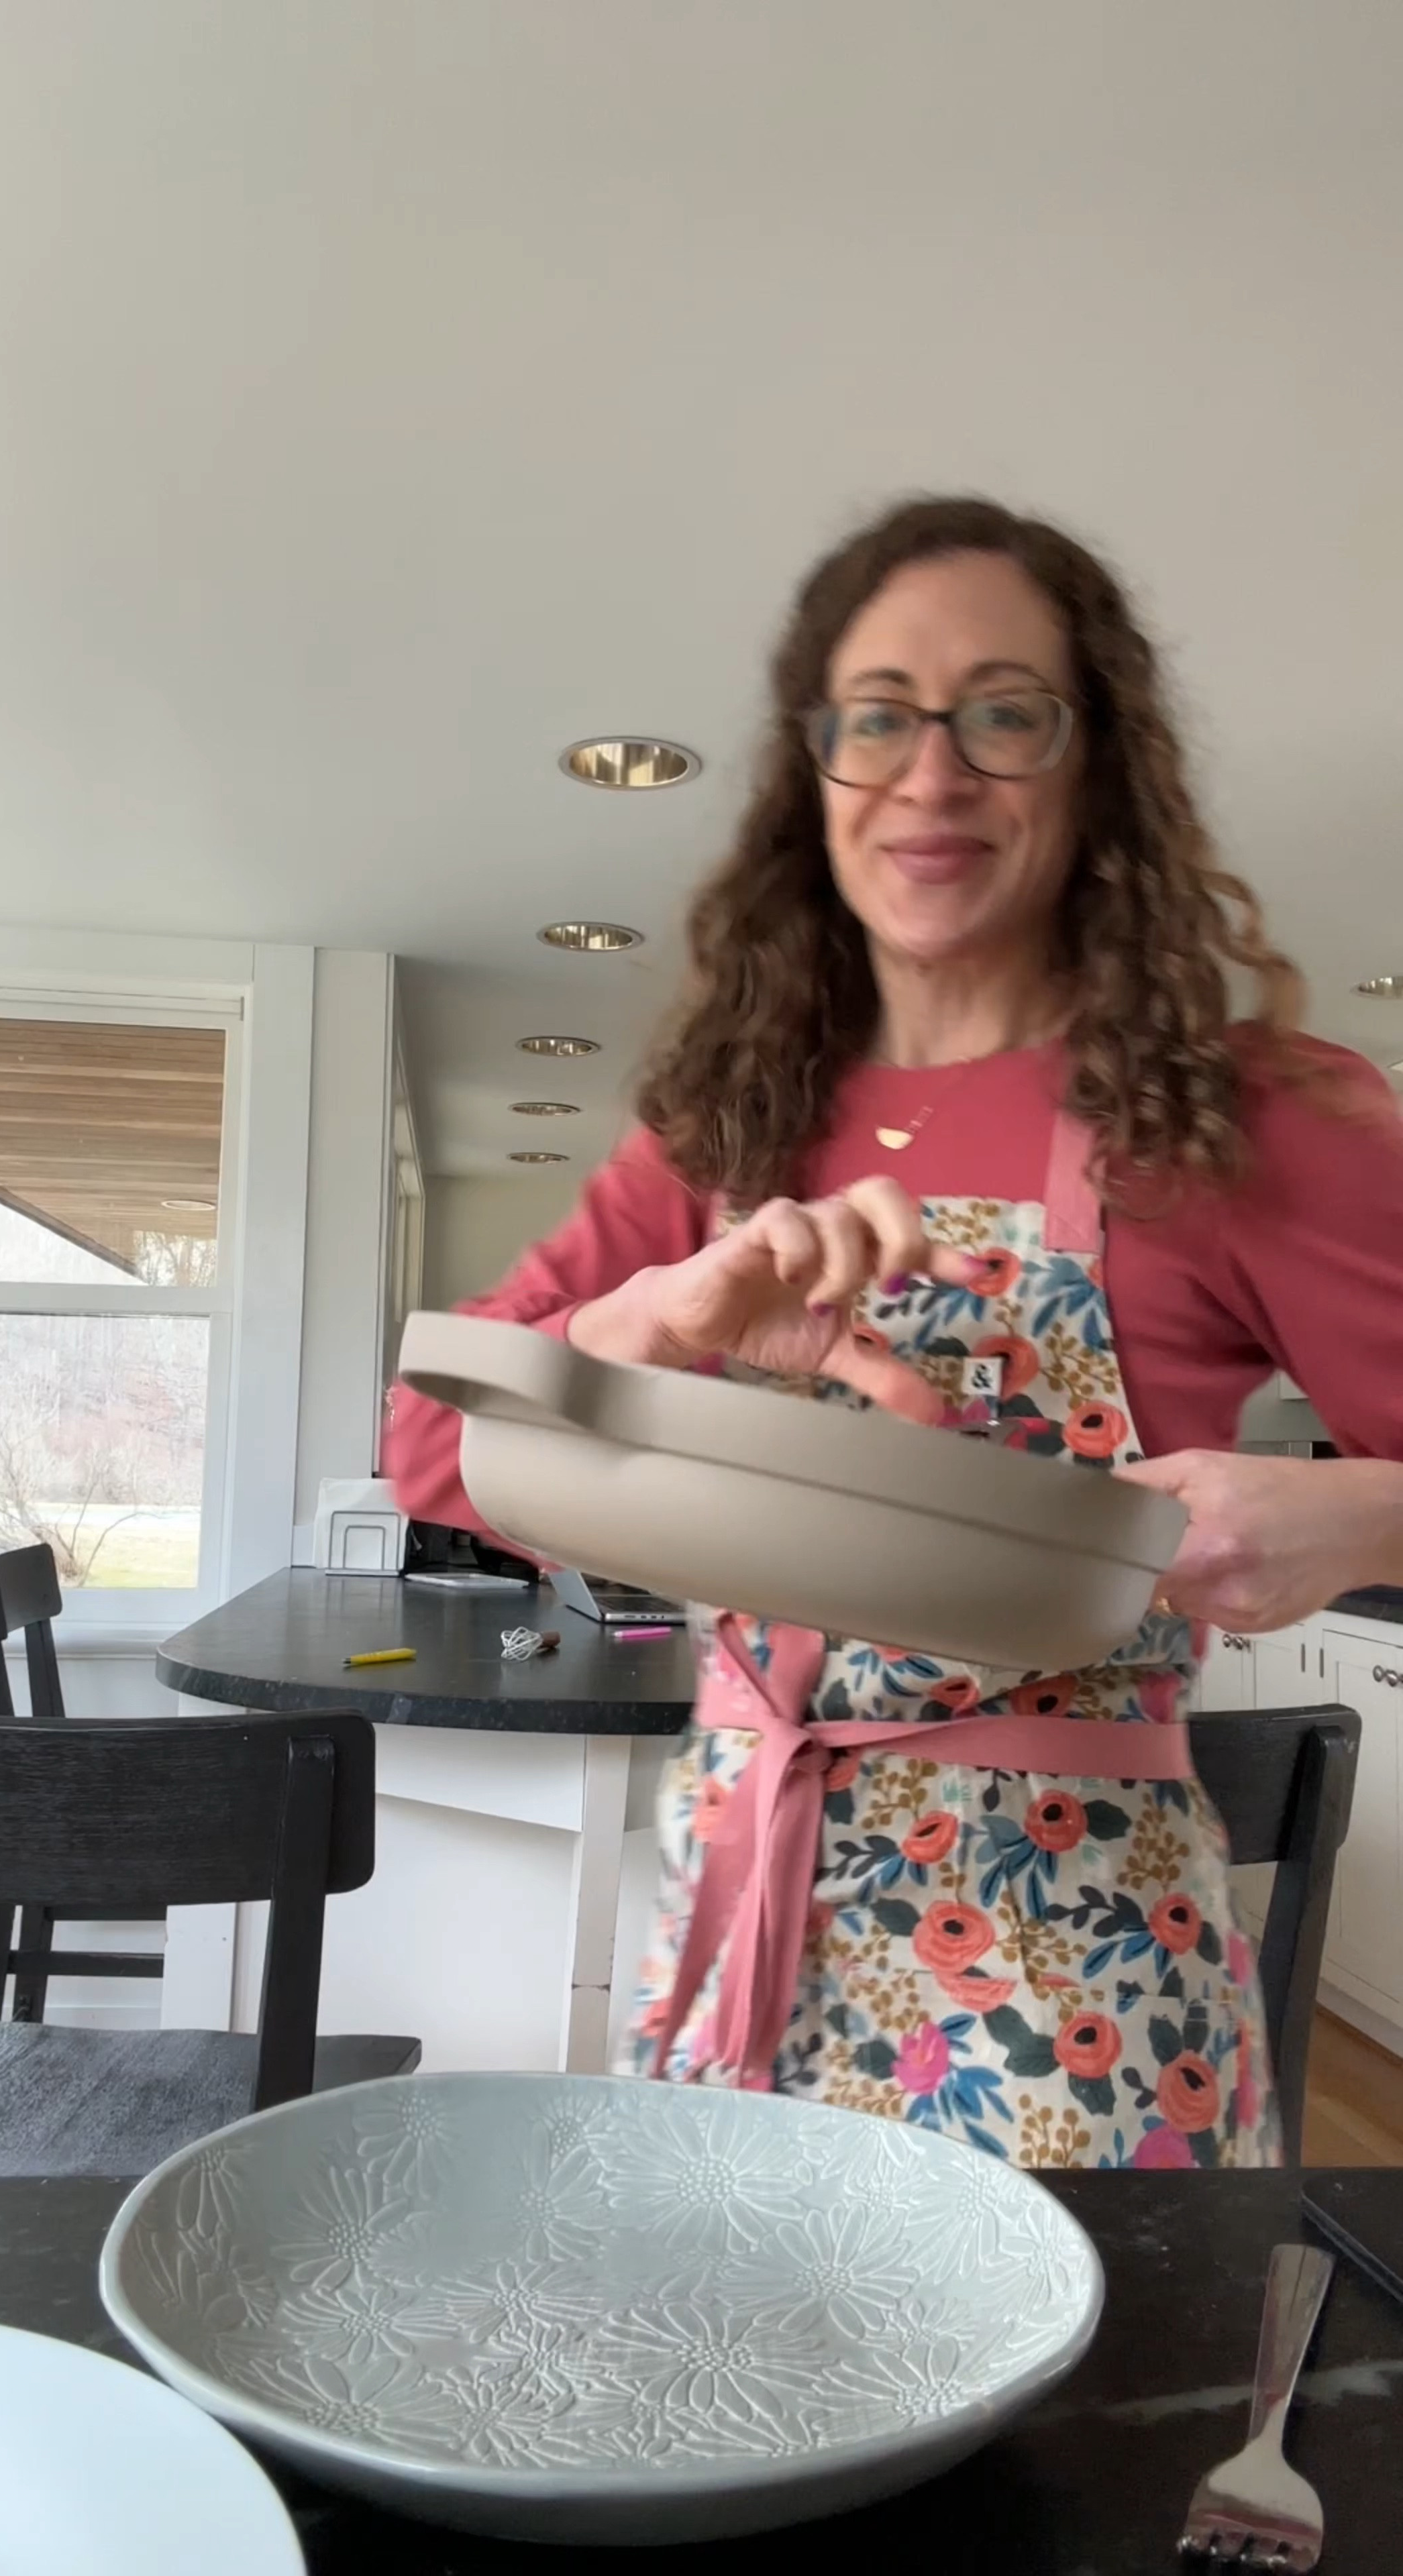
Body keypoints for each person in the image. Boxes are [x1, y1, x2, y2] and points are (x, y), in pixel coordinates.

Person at [388, 494, 1403, 2170]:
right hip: (735, 1950)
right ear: (818, 778)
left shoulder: (1250, 1120)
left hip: (1070, 1998)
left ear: (1099, 772)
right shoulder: (723, 1134)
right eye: (879, 720)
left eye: (1005, 712)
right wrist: (656, 1318)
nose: (933, 775)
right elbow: (429, 1444)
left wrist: (1358, 1511)